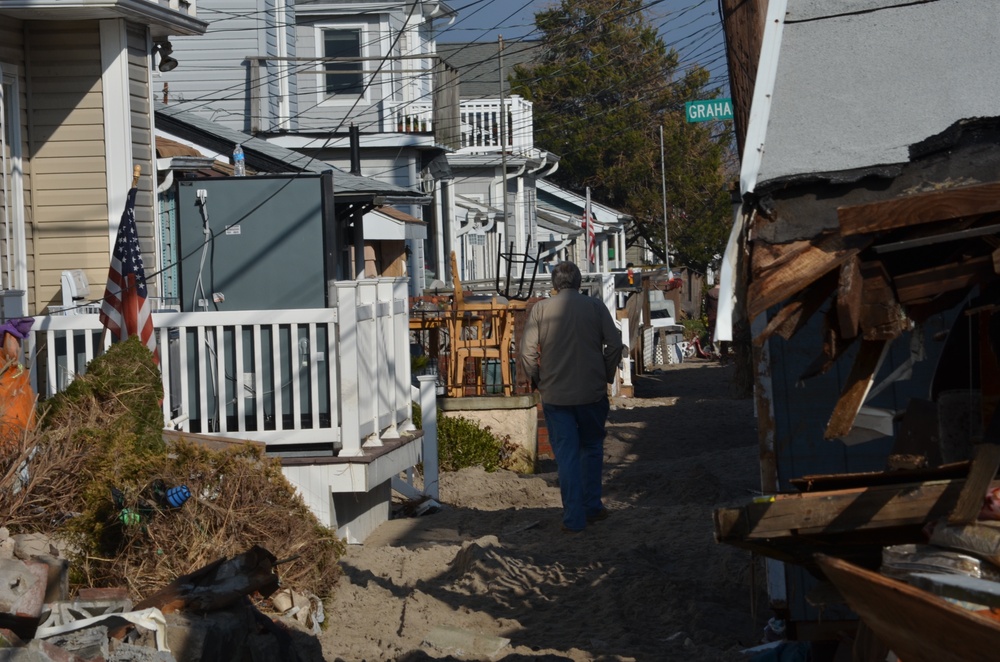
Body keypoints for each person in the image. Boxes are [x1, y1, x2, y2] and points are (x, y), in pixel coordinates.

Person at [520, 261, 626, 533]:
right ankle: (593, 507)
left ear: (554, 284)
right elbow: (614, 344)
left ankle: (573, 519)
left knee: (566, 455)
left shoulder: (540, 310)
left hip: (556, 395)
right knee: (591, 448)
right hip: (591, 392)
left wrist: (538, 380)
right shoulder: (595, 307)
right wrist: (606, 373)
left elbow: (527, 353)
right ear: (579, 282)